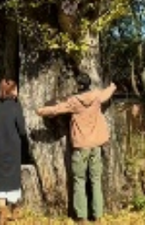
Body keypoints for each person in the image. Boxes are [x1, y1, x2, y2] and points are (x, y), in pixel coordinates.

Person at [36, 72, 116, 224]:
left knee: (79, 180)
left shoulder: (74, 101)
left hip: (81, 147)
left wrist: (41, 111)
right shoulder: (97, 96)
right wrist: (113, 86)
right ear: (89, 84)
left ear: (78, 85)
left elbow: (57, 109)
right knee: (96, 180)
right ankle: (98, 216)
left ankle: (82, 217)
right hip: (96, 146)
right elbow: (106, 94)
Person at [0, 78, 27, 223]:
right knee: (13, 181)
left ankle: (2, 213)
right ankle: (15, 211)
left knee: (0, 183)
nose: (17, 91)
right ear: (11, 91)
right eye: (16, 89)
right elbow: (22, 130)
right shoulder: (16, 107)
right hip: (13, 148)